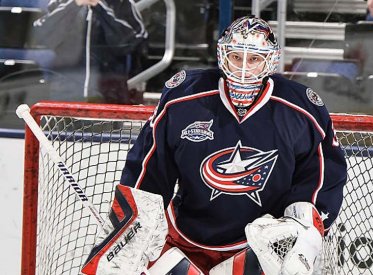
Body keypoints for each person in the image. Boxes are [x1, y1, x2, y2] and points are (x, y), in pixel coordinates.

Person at [81, 16, 348, 275]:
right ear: (223, 55)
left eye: (254, 59)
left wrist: (304, 231)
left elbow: (322, 177)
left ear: (270, 61)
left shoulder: (303, 110)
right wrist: (130, 227)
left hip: (256, 248)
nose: (243, 67)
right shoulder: (183, 97)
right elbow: (149, 168)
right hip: (183, 239)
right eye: (236, 57)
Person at [32, 0, 147, 104]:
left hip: (110, 95)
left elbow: (133, 42)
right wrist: (74, 4)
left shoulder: (123, 3)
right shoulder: (58, 2)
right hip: (64, 92)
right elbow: (42, 36)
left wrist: (100, 8)